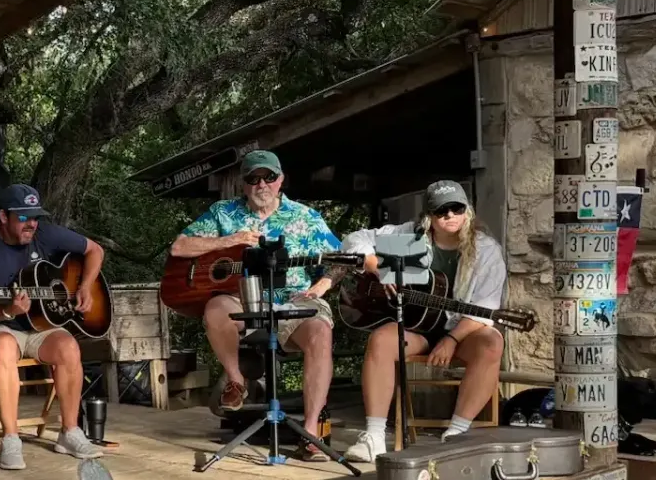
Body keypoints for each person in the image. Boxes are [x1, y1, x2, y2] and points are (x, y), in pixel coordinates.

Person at [167, 150, 341, 456]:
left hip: (295, 300)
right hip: (242, 300)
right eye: (253, 178)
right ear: (243, 184)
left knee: (320, 332)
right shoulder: (224, 212)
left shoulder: (306, 217)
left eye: (269, 177)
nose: (261, 184)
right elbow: (180, 247)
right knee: (214, 308)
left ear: (281, 180)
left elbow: (340, 261)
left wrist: (321, 286)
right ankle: (237, 382)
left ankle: (311, 430)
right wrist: (229, 241)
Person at [341, 180, 508, 463]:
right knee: (381, 341)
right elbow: (352, 240)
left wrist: (452, 339)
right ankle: (374, 437)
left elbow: (483, 309)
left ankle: (456, 434)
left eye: (457, 208)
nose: (451, 216)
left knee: (492, 342)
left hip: (463, 331)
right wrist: (376, 266)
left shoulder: (487, 250)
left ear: (467, 211)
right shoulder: (409, 236)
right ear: (429, 216)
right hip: (416, 326)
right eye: (442, 211)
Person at [0, 184, 107, 470]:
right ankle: (11, 438)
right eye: (24, 217)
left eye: (35, 216)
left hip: (40, 325)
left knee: (68, 347)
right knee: (4, 346)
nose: (32, 223)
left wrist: (86, 287)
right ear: (3, 217)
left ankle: (69, 432)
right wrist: (7, 309)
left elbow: (95, 250)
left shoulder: (46, 234)